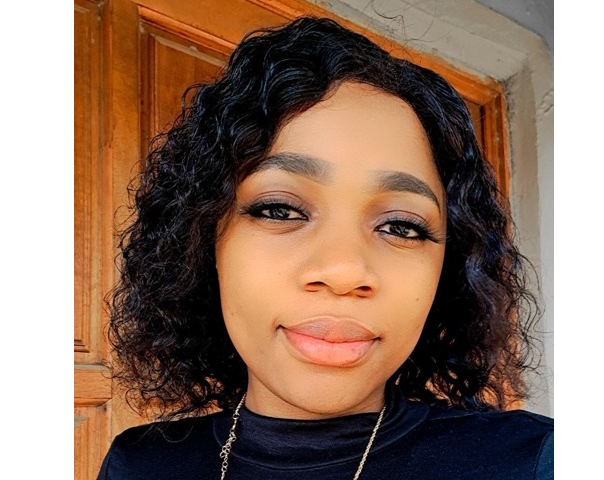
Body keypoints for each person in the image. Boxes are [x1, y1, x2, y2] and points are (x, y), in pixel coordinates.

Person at [98, 16, 553, 480]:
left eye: (401, 226)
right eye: (279, 209)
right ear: (203, 240)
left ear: (447, 270)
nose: (344, 271)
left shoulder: (534, 461)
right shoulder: (138, 464)